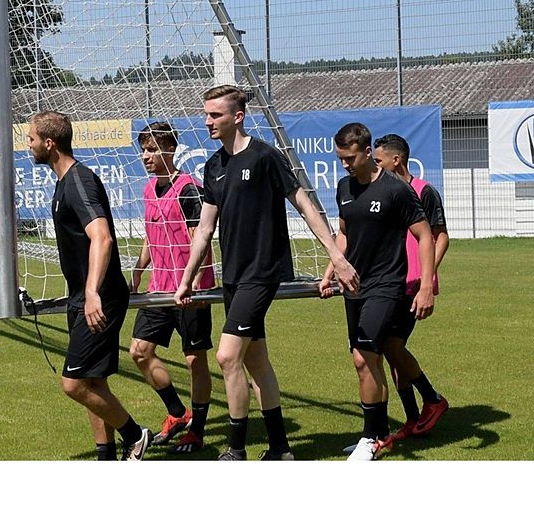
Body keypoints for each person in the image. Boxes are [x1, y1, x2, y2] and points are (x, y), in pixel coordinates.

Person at [174, 85, 359, 461]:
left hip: (263, 272)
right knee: (256, 361)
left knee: (227, 357)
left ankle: (236, 449)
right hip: (234, 275)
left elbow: (304, 204)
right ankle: (279, 448)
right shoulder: (213, 166)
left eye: (215, 115)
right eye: (206, 114)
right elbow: (206, 228)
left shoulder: (264, 157)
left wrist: (335, 256)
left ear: (237, 117)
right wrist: (187, 276)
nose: (207, 121)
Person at [27, 110, 151, 461]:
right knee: (93, 382)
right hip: (83, 296)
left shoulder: (80, 181)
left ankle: (135, 434)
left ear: (50, 144)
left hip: (101, 297)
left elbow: (102, 237)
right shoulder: (62, 181)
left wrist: (93, 292)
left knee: (74, 383)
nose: (28, 146)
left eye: (32, 140)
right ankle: (106, 456)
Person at [319, 123, 436, 461]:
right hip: (353, 286)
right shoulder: (343, 187)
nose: (344, 165)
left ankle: (371, 437)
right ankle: (380, 433)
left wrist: (426, 285)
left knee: (364, 356)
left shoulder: (395, 189)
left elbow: (425, 236)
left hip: (386, 285)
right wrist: (330, 271)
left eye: (350, 158)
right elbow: (344, 234)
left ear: (368, 152)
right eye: (340, 158)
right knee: (366, 358)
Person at [128, 122, 215, 454]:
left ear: (169, 150)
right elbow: (152, 237)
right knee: (139, 351)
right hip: (158, 289)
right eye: (144, 150)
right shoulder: (150, 189)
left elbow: (200, 242)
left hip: (190, 291)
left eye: (152, 149)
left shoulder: (189, 188)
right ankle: (178, 414)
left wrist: (190, 281)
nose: (146, 156)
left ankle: (198, 431)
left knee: (195, 360)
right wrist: (137, 272)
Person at [373, 133, 450, 444]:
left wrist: (427, 279)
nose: (374, 166)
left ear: (396, 160)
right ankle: (412, 419)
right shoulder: (386, 192)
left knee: (392, 347)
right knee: (392, 352)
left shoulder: (423, 192)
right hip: (389, 281)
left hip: (412, 285)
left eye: (378, 161)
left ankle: (433, 399)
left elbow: (440, 236)